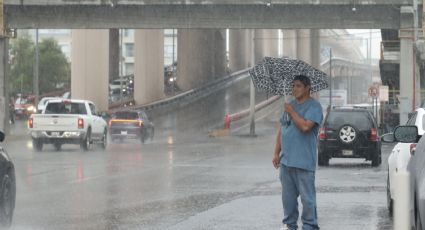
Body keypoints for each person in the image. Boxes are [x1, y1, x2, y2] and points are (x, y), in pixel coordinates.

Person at [272, 75, 323, 230]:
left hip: (304, 162)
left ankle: (309, 225)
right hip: (286, 162)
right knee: (287, 199)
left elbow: (306, 127)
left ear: (307, 87)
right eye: (293, 85)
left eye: (299, 86)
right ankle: (289, 224)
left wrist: (292, 111)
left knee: (307, 199)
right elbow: (282, 130)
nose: (295, 89)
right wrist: (276, 152)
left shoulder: (314, 107)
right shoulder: (290, 105)